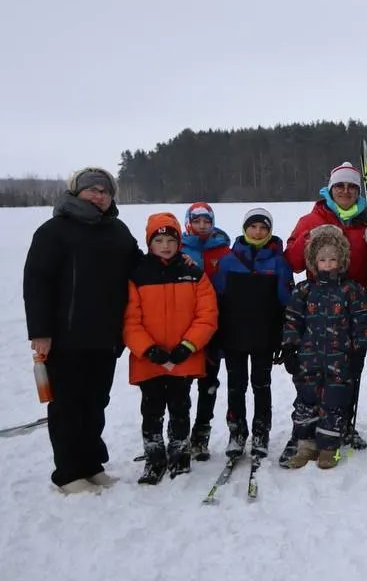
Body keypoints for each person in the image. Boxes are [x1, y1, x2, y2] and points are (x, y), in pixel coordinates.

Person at [22, 166, 141, 493]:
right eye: (93, 190)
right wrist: (40, 331)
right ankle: (68, 473)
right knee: (67, 405)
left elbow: (138, 268)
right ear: (77, 192)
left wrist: (173, 264)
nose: (100, 196)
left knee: (95, 402)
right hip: (66, 337)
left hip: (106, 336)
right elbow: (37, 283)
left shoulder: (117, 231)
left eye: (105, 191)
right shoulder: (54, 231)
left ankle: (91, 464)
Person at [283, 161, 367, 461]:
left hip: (354, 304)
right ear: (330, 188)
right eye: (340, 186)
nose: (345, 191)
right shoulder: (312, 218)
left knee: (348, 376)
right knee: (312, 381)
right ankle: (306, 435)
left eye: (351, 186)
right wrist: (308, 240)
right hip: (318, 308)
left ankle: (341, 427)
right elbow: (293, 261)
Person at [123, 213, 219, 483]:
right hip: (149, 360)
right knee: (151, 409)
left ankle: (179, 453)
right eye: (159, 240)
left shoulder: (193, 273)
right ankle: (154, 457)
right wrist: (148, 349)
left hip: (182, 358)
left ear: (179, 243)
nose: (165, 246)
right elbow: (130, 320)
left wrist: (188, 346)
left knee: (180, 406)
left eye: (170, 240)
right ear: (149, 243)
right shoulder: (138, 275)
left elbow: (207, 315)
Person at [210, 207, 292, 459]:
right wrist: (216, 336)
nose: (258, 231)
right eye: (253, 226)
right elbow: (216, 299)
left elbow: (285, 302)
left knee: (261, 385)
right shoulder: (228, 261)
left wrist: (283, 336)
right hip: (233, 335)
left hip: (264, 336)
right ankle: (237, 433)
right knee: (236, 386)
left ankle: (260, 432)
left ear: (270, 231)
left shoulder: (278, 262)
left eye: (263, 227)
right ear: (244, 229)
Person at [182, 201, 233, 462]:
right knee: (181, 385)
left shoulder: (223, 249)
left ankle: (201, 436)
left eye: (207, 221)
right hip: (183, 328)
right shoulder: (176, 247)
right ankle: (179, 437)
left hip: (214, 325)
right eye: (197, 221)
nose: (202, 226)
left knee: (209, 383)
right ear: (189, 222)